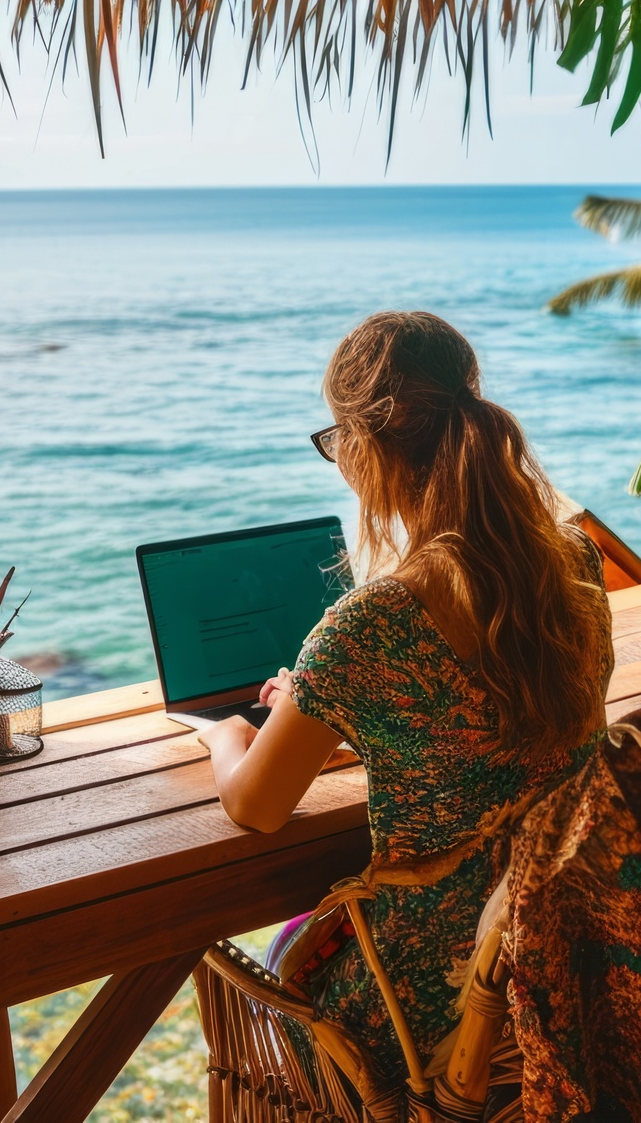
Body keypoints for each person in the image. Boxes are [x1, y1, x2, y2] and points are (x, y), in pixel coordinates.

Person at [198, 310, 615, 1091]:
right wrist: (336, 706)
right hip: (574, 964)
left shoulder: (371, 626)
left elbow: (256, 806)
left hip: (430, 1018)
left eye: (335, 441)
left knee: (271, 961)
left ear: (364, 449)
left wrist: (227, 734)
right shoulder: (576, 560)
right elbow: (492, 721)